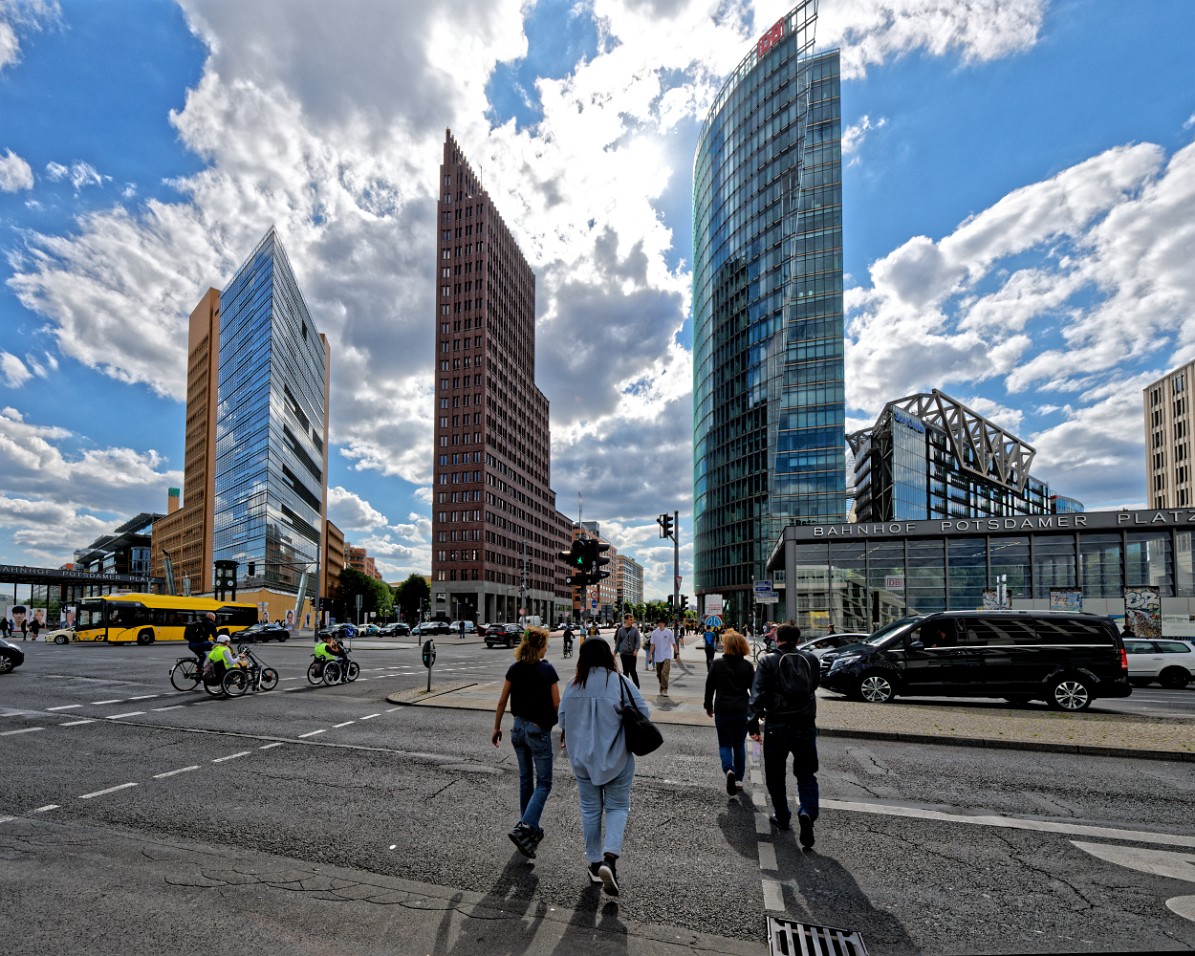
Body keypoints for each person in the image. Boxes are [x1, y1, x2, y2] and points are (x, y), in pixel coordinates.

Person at [558, 638, 649, 897]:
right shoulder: (620, 682)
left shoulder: (572, 685)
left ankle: (594, 863)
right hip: (617, 757)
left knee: (589, 810)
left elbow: (562, 719)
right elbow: (644, 714)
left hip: (583, 759)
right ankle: (610, 860)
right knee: (618, 807)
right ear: (609, 656)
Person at [748, 622, 821, 849]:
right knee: (807, 773)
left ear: (777, 638)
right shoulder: (811, 660)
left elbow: (757, 694)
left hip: (777, 726)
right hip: (805, 725)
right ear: (797, 640)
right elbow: (814, 685)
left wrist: (752, 725)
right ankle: (807, 811)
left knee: (775, 775)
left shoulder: (768, 660)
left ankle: (782, 816)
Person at [491, 626, 560, 858]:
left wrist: (496, 727)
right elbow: (557, 705)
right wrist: (565, 729)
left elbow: (502, 701)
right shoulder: (547, 670)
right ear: (540, 647)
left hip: (517, 728)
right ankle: (525, 826)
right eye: (546, 644)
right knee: (544, 783)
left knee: (524, 779)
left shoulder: (514, 668)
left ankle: (527, 829)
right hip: (537, 730)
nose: (547, 648)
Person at [704, 629, 754, 794]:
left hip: (723, 708)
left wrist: (708, 706)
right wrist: (757, 712)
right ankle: (739, 779)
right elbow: (754, 690)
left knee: (724, 744)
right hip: (741, 709)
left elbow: (709, 686)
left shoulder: (717, 664)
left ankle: (729, 770)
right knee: (739, 744)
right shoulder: (747, 665)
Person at [647, 618, 677, 696]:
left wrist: (677, 653)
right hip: (658, 656)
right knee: (659, 674)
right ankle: (662, 687)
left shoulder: (669, 632)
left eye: (662, 623)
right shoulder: (654, 633)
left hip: (667, 655)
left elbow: (674, 643)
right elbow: (652, 644)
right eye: (659, 623)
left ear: (664, 624)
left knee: (664, 673)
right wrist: (649, 655)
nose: (660, 624)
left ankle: (664, 690)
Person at [613, 613, 642, 688]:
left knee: (633, 671)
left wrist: (636, 650)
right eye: (630, 619)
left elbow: (638, 641)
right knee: (625, 671)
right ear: (625, 620)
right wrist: (615, 652)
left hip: (632, 654)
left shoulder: (635, 630)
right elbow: (618, 642)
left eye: (632, 619)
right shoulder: (621, 630)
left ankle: (637, 687)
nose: (631, 621)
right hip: (624, 654)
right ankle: (625, 688)